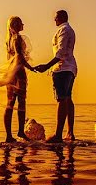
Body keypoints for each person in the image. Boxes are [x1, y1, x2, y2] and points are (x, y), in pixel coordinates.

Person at [32, 10, 77, 143]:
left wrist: (47, 66)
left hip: (63, 68)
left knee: (61, 99)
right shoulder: (69, 29)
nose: (54, 20)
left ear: (62, 17)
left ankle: (58, 134)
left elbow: (61, 52)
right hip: (70, 67)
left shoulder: (63, 30)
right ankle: (70, 132)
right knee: (68, 98)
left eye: (56, 17)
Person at [4, 16, 34, 142]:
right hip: (18, 72)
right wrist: (30, 67)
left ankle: (9, 135)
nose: (23, 24)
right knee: (21, 102)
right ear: (16, 25)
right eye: (21, 23)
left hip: (10, 72)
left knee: (10, 103)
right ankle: (20, 131)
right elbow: (19, 56)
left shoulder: (9, 39)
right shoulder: (17, 38)